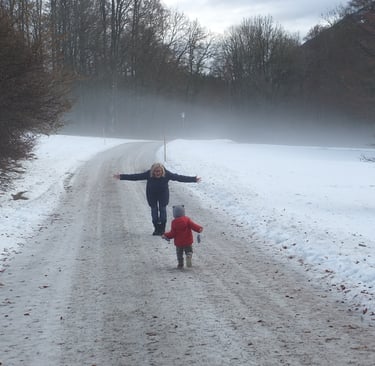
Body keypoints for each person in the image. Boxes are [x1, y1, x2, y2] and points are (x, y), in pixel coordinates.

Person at [113, 163, 201, 235]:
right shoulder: (148, 174)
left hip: (163, 195)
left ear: (162, 171)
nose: (157, 173)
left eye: (158, 171)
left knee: (162, 210)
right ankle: (156, 229)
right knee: (154, 211)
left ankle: (162, 229)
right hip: (151, 195)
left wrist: (193, 179)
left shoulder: (167, 174)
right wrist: (121, 177)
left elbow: (179, 178)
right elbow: (135, 177)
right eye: (155, 171)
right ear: (152, 171)